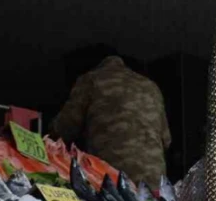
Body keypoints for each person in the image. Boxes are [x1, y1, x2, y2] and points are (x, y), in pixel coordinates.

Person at [50, 48, 171, 189]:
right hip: (155, 182)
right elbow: (166, 140)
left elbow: (65, 128)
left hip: (113, 180)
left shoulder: (91, 80)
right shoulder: (151, 87)